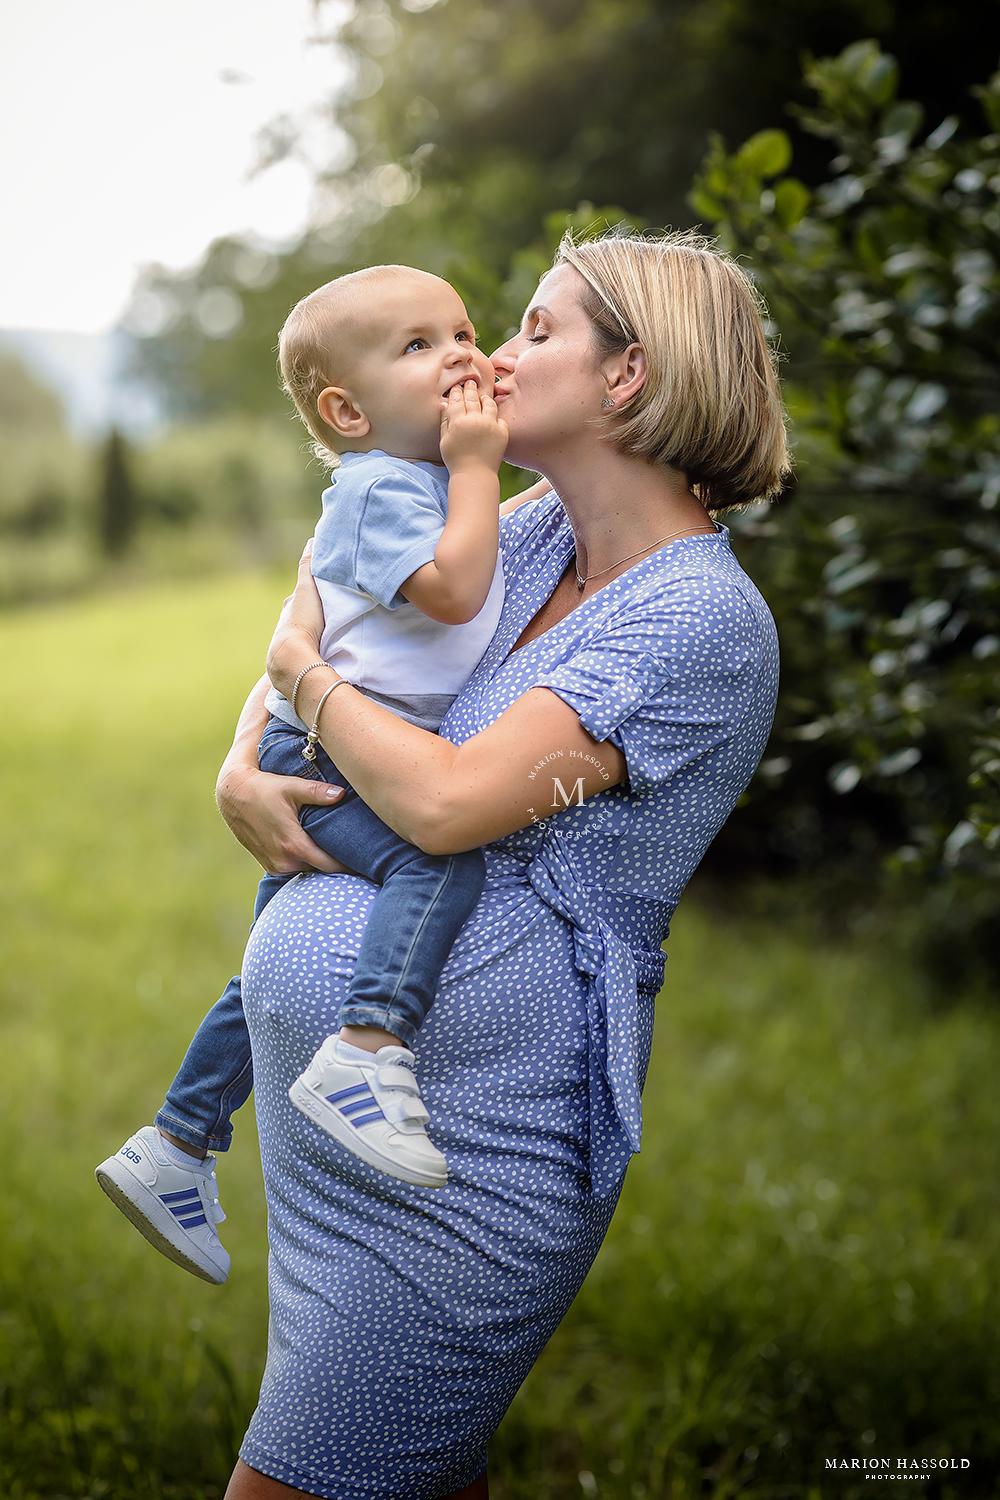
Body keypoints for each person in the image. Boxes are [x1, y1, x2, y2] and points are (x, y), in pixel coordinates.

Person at [208, 229, 789, 1499]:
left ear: (627, 377)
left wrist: (292, 672)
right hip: (345, 1142)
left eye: (533, 331)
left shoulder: (696, 619)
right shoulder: (524, 536)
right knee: (407, 1475)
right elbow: (339, 630)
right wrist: (242, 762)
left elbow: (445, 800)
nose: (490, 358)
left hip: (475, 1151)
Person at [95, 268, 520, 1276]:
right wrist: (475, 465)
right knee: (442, 865)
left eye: (463, 330)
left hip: (334, 740)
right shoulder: (382, 487)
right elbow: (455, 595)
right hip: (327, 751)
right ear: (347, 410)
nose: (461, 353)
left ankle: (174, 1145)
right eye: (419, 347)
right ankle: (368, 1052)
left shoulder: (413, 484)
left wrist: (464, 470)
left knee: (260, 973)